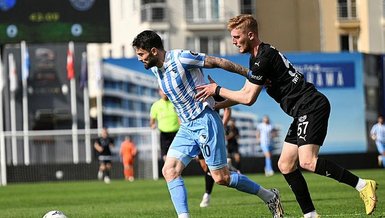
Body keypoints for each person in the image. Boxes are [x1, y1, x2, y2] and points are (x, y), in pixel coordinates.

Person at [195, 14, 378, 217]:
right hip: (301, 110)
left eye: (237, 36)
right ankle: (310, 214)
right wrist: (219, 103)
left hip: (310, 106)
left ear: (251, 34)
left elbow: (248, 98)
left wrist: (217, 89)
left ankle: (362, 185)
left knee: (308, 161)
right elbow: (245, 93)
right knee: (286, 164)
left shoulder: (263, 58)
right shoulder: (257, 57)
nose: (234, 41)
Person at [132, 30, 284, 218]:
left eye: (141, 54)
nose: (139, 59)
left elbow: (219, 62)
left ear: (154, 51)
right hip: (187, 127)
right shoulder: (156, 69)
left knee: (221, 178)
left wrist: (251, 75)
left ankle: (269, 196)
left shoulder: (181, 58)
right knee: (169, 170)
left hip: (205, 120)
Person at [198, 105, 231, 208]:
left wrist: (222, 125)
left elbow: (227, 108)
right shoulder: (189, 91)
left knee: (210, 168)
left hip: (211, 133)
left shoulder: (211, 90)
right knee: (205, 167)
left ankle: (207, 194)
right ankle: (227, 169)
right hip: (196, 133)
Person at [150, 88, 180, 161]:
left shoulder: (174, 103)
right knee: (166, 157)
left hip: (176, 133)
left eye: (164, 90)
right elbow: (152, 122)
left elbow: (180, 118)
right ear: (159, 92)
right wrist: (153, 125)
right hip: (164, 134)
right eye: (161, 90)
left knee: (177, 157)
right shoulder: (156, 105)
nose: (163, 92)